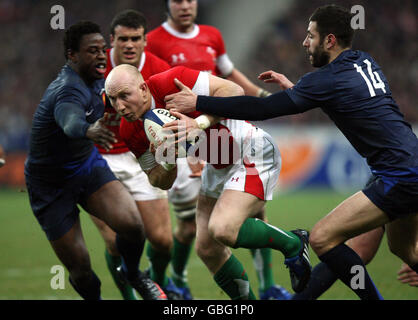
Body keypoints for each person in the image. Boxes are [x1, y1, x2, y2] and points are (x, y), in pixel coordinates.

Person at [163, 4, 418, 300]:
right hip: (409, 162)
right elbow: (349, 99)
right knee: (405, 249)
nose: (304, 42)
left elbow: (263, 109)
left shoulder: (325, 80)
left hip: (399, 175)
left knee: (322, 238)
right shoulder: (363, 61)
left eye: (311, 36)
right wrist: (298, 91)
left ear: (329, 41)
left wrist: (199, 101)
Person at [104, 64, 312, 299]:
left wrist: (199, 122)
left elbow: (234, 90)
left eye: (124, 96)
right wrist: (169, 160)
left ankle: (294, 243)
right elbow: (159, 181)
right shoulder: (128, 129)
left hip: (249, 150)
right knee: (207, 249)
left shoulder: (171, 82)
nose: (119, 106)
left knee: (223, 228)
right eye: (112, 99)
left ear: (142, 89)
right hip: (216, 166)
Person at [146, 0, 290, 300]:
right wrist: (191, 151)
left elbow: (230, 75)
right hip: (185, 138)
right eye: (178, 0)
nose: (185, 5)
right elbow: (155, 95)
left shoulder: (212, 34)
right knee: (192, 226)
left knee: (253, 211)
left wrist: (261, 95)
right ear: (167, 5)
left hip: (216, 125)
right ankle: (177, 282)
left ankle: (267, 287)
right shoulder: (154, 41)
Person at [24, 21, 166, 300]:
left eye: (103, 49)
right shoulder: (67, 88)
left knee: (133, 226)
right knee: (82, 271)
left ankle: (133, 274)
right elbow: (70, 120)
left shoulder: (101, 79)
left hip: (86, 167)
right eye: (92, 51)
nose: (102, 55)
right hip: (49, 186)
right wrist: (88, 130)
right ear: (72, 55)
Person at [88, 9, 183, 300]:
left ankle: (156, 285)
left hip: (140, 155)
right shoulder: (93, 66)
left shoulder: (159, 69)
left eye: (136, 39)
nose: (129, 45)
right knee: (117, 243)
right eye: (123, 39)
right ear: (111, 41)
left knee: (163, 241)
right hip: (99, 158)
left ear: (144, 41)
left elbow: (176, 115)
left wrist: (191, 155)